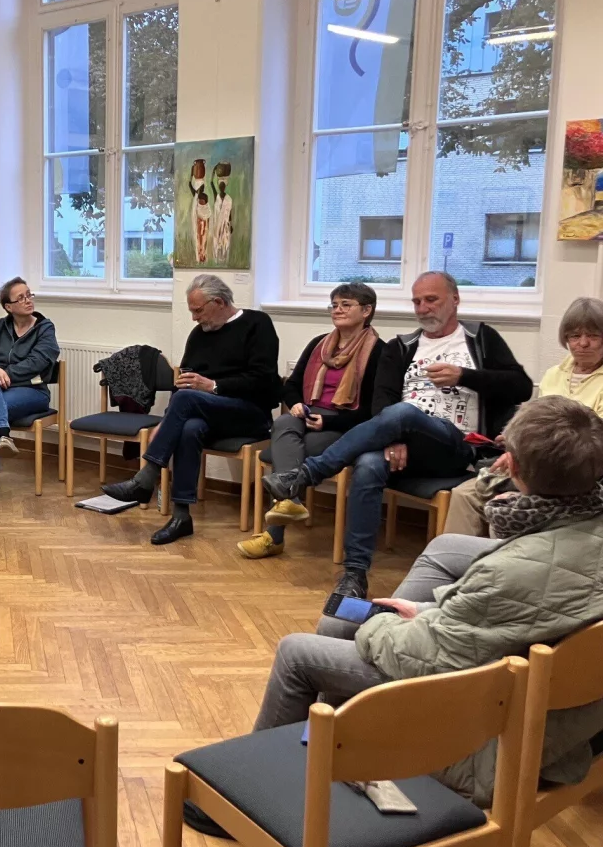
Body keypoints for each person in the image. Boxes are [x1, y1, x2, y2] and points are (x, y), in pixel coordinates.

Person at [248, 396, 603, 810]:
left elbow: (423, 654)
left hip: (483, 743)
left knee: (298, 652)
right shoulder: (581, 518)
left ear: (517, 469)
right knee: (339, 623)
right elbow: (525, 609)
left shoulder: (508, 571)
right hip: (545, 712)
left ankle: (256, 789)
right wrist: (430, 611)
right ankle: (331, 751)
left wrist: (384, 622)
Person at [262, 271, 532, 598]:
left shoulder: (480, 337)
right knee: (368, 464)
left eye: (431, 300)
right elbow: (382, 402)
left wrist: (464, 376)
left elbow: (521, 387)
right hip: (404, 445)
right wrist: (394, 439)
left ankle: (306, 474)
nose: (423, 308)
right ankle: (355, 574)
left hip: (456, 446)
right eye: (417, 301)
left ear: (455, 299)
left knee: (404, 412)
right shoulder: (401, 347)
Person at [103, 274, 281, 545]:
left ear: (219, 302)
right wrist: (166, 422)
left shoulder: (258, 324)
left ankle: (146, 477)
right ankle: (181, 516)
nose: (195, 318)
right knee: (189, 428)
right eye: (192, 312)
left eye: (198, 311)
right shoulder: (199, 335)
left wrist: (214, 386)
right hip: (208, 414)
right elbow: (183, 383)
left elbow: (264, 381)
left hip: (250, 413)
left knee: (187, 400)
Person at [237, 283, 383, 559]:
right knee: (283, 423)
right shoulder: (319, 344)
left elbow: (373, 411)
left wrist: (329, 423)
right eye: (334, 305)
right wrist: (295, 404)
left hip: (344, 424)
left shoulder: (379, 351)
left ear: (366, 310)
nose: (337, 310)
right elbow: (291, 385)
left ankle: (273, 536)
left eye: (346, 305)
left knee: (295, 450)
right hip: (306, 414)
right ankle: (290, 501)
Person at [445, 296, 603, 537]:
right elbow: (536, 422)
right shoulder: (553, 374)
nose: (583, 343)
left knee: (505, 502)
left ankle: (504, 556)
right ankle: (459, 559)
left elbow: (594, 442)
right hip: (534, 464)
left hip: (580, 474)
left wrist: (524, 453)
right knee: (464, 494)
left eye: (593, 335)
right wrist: (514, 443)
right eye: (574, 335)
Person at [0, 277, 60, 506]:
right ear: (8, 306)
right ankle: (4, 435)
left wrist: (2, 373)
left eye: (29, 295)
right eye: (21, 298)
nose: (28, 300)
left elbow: (38, 362)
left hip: (33, 391)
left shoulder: (45, 328)